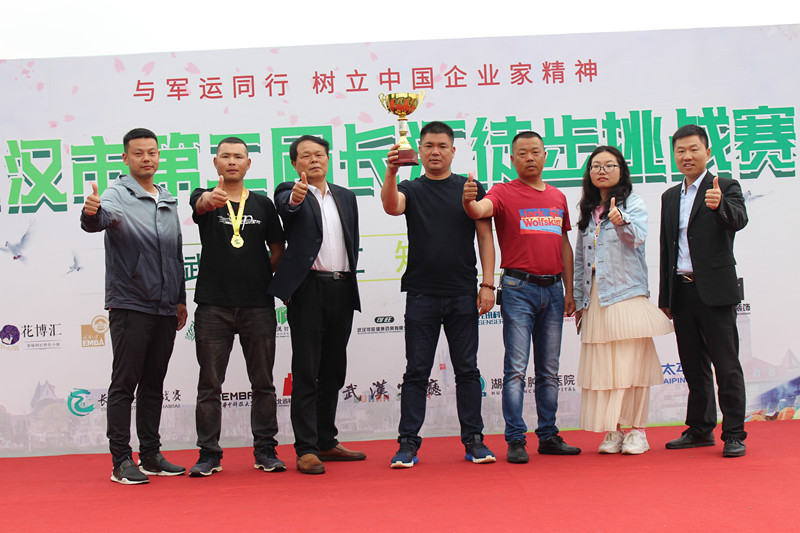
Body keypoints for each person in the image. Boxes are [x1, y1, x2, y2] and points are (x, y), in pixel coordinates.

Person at [381, 121, 497, 468]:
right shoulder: (411, 188)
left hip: (463, 292)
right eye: (429, 145)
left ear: (453, 151)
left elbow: (485, 237)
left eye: (442, 146)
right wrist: (391, 171)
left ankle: (474, 441)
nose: (435, 152)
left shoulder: (469, 187)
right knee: (416, 371)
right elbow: (391, 207)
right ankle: (407, 444)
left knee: (467, 370)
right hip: (422, 294)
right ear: (419, 149)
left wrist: (487, 284)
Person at [463, 130, 581, 463]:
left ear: (546, 155)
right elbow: (478, 210)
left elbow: (564, 245)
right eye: (523, 153)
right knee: (516, 368)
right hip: (518, 289)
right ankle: (516, 439)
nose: (530, 157)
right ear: (512, 159)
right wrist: (469, 200)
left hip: (554, 290)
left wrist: (570, 290)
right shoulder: (503, 192)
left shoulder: (557, 197)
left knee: (549, 369)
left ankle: (548, 435)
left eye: (535, 151)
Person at [80, 127, 188, 484]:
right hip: (131, 302)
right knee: (125, 383)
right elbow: (99, 221)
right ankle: (121, 460)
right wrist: (91, 213)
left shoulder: (167, 198)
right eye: (139, 153)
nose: (147, 158)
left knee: (154, 383)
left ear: (159, 156)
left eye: (152, 152)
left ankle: (151, 455)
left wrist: (180, 299)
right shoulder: (116, 194)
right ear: (126, 158)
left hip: (165, 306)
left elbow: (175, 253)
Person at [188, 137, 286, 476]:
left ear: (248, 163)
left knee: (263, 382)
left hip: (257, 305)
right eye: (225, 156)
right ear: (216, 162)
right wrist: (207, 200)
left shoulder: (263, 204)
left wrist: (259, 275)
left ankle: (265, 450)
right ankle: (209, 454)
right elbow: (200, 205)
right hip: (213, 305)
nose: (232, 161)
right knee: (209, 385)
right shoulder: (206, 197)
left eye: (239, 156)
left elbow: (278, 248)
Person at [268, 135, 364, 474]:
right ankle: (306, 448)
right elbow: (287, 206)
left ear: (328, 158)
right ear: (295, 163)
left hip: (342, 287)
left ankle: (326, 440)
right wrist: (296, 197)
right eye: (305, 155)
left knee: (333, 370)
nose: (313, 160)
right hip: (308, 289)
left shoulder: (346, 196)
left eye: (319, 154)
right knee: (307, 371)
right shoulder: (289, 191)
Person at [573, 146, 673, 454]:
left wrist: (621, 220)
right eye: (596, 166)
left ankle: (637, 431)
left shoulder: (634, 204)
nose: (601, 170)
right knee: (604, 368)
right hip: (595, 299)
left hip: (625, 295)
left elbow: (637, 238)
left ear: (621, 171)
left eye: (609, 165)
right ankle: (613, 430)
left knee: (632, 367)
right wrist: (578, 299)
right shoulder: (588, 210)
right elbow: (580, 260)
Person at [659, 124, 749, 458]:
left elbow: (739, 220)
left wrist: (720, 204)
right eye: (680, 150)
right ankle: (700, 429)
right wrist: (666, 297)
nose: (687, 156)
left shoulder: (724, 186)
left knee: (726, 365)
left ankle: (734, 434)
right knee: (693, 366)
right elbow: (667, 248)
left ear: (708, 153)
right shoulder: (670, 196)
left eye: (694, 149)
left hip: (715, 291)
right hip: (682, 292)